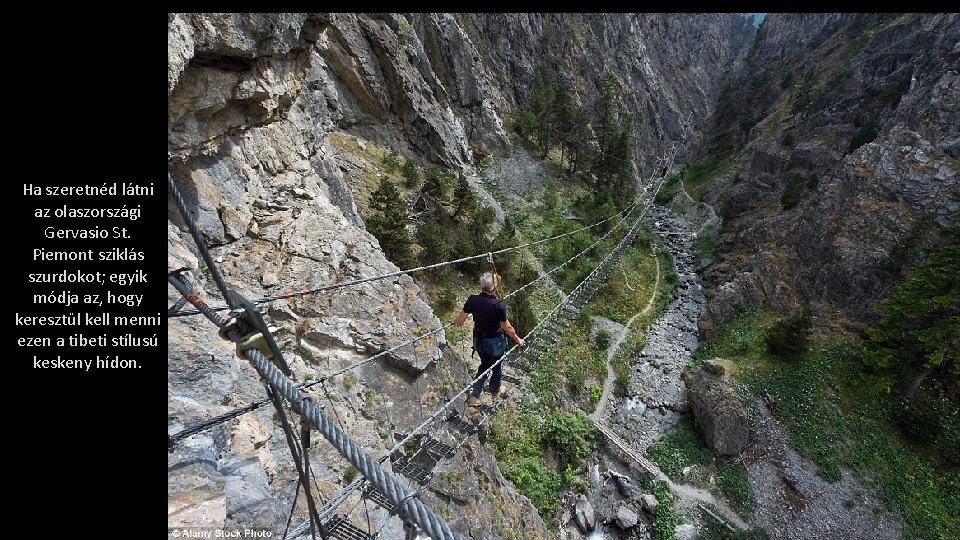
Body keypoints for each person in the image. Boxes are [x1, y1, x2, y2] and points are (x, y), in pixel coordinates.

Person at [453, 271, 526, 407]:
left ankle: (475, 395)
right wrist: (518, 339)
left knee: (484, 365)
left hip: (478, 340)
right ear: (494, 288)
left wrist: (454, 322)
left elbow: (461, 320)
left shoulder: (472, 300)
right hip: (495, 342)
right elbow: (507, 327)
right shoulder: (498, 305)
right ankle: (495, 389)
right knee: (496, 367)